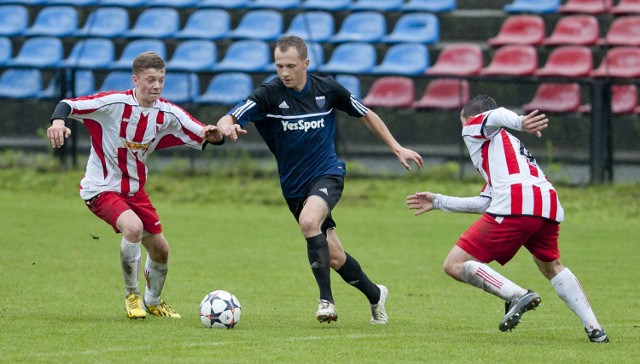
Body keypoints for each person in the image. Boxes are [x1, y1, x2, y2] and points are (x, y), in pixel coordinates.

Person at [217, 35, 423, 324]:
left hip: (328, 172)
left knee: (308, 222)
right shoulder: (269, 94)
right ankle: (375, 294)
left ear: (306, 63)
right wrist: (227, 128)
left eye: (290, 66)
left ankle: (326, 301)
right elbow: (230, 116)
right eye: (279, 66)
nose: (284, 73)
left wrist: (396, 147)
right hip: (293, 187)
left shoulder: (327, 88)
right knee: (335, 256)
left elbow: (366, 114)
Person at [406, 95, 609, 343]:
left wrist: (520, 121)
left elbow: (496, 114)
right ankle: (595, 330)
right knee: (551, 266)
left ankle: (517, 295)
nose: (464, 129)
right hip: (547, 203)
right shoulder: (506, 148)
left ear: (470, 119)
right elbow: (486, 203)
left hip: (517, 202)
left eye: (463, 122)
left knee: (454, 264)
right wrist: (439, 201)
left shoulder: (475, 128)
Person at [46, 51, 224, 320]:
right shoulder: (114, 103)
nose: (156, 85)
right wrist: (58, 121)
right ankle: (132, 296)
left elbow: (204, 132)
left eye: (161, 80)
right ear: (135, 79)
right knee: (133, 227)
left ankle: (153, 301)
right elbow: (67, 104)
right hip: (101, 188)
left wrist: (217, 135)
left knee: (161, 249)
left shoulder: (168, 113)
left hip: (135, 192)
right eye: (150, 79)